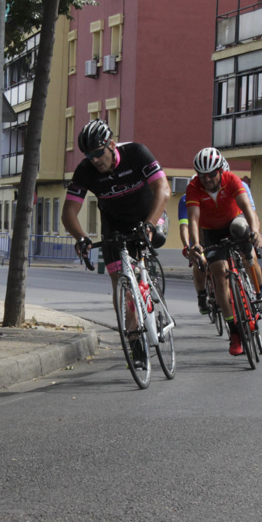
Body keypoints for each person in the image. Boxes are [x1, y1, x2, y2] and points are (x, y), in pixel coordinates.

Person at [61, 120, 170, 368]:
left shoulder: (136, 153)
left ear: (111, 145)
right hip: (114, 226)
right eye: (89, 156)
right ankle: (135, 345)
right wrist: (81, 238)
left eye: (98, 153)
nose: (95, 160)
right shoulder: (85, 170)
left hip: (149, 216)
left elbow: (163, 189)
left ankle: (151, 288)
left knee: (155, 240)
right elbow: (69, 212)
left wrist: (151, 224)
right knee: (122, 287)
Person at [185, 147, 262, 356]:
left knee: (248, 250)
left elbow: (247, 208)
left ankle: (260, 294)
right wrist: (196, 245)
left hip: (234, 222)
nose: (207, 180)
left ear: (219, 171)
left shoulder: (232, 179)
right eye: (202, 176)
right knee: (217, 274)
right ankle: (233, 331)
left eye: (212, 175)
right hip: (211, 231)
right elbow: (193, 220)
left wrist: (256, 232)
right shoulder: (194, 187)